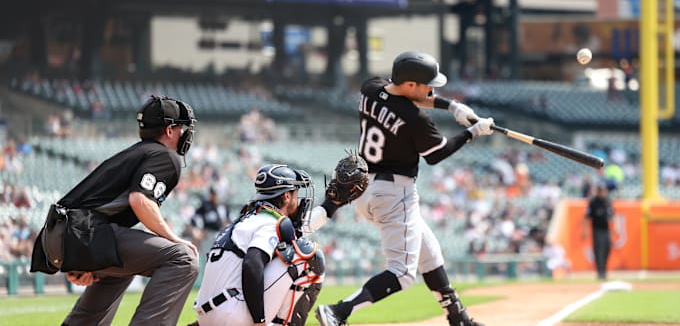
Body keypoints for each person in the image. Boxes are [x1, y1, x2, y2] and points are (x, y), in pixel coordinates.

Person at [316, 51, 494, 326]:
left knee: (430, 253)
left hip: (363, 188)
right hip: (394, 192)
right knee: (402, 274)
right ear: (411, 84)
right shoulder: (415, 119)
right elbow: (436, 154)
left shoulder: (371, 87)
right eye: (428, 84)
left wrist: (452, 106)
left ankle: (458, 318)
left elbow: (404, 97)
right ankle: (340, 311)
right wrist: (472, 132)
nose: (432, 90)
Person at [39, 95, 199, 325]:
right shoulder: (165, 156)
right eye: (181, 127)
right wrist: (175, 239)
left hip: (65, 233)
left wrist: (83, 260)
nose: (184, 133)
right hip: (82, 233)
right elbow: (140, 200)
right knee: (182, 259)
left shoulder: (138, 152)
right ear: (170, 130)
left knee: (122, 270)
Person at [193, 156, 367, 326]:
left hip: (209, 314)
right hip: (232, 314)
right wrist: (259, 320)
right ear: (285, 196)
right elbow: (252, 264)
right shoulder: (270, 223)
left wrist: (332, 204)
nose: (298, 199)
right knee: (308, 255)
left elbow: (299, 229)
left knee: (285, 252)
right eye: (295, 193)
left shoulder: (250, 219)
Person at [584, 185, 614, 280]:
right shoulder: (593, 202)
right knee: (598, 250)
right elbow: (587, 217)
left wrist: (614, 228)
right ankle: (600, 272)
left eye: (603, 191)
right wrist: (584, 231)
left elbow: (612, 215)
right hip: (597, 230)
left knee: (607, 248)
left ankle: (604, 269)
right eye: (600, 191)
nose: (602, 192)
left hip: (606, 229)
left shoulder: (607, 201)